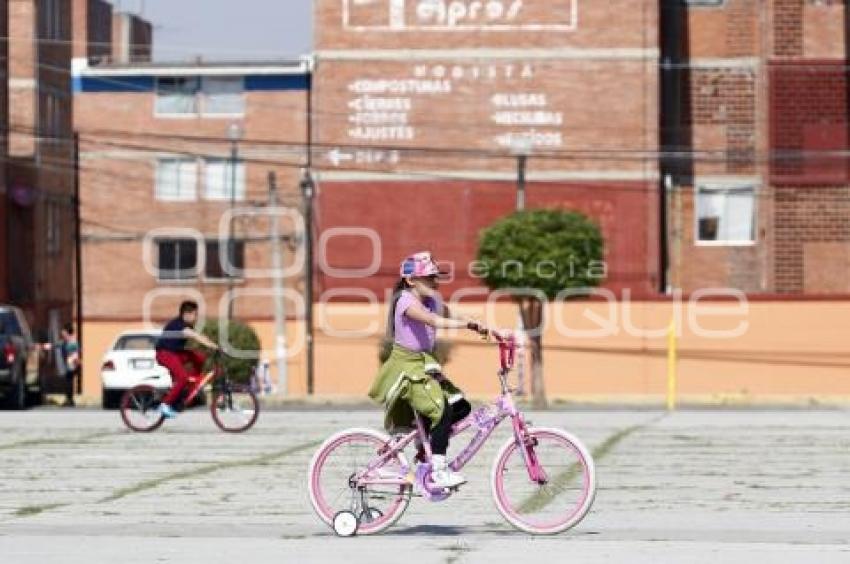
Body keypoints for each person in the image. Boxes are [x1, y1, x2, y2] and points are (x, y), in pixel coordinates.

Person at [368, 251, 508, 489]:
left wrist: (480, 326)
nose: (435, 282)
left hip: (424, 364)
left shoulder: (431, 301)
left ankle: (425, 449)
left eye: (435, 278)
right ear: (411, 280)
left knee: (461, 407)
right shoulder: (405, 301)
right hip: (407, 367)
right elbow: (433, 321)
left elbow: (448, 314)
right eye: (429, 278)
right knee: (440, 410)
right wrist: (467, 325)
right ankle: (439, 470)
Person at [154, 301, 218, 418]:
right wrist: (212, 346)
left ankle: (191, 385)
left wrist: (213, 346)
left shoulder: (187, 325)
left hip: (176, 353)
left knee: (199, 357)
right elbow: (194, 335)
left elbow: (199, 336)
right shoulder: (178, 324)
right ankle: (164, 405)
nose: (196, 318)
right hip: (165, 354)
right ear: (186, 314)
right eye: (195, 314)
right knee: (182, 377)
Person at [59, 324, 80, 407]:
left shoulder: (72, 343)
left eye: (64, 333)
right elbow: (57, 345)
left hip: (72, 364)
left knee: (68, 382)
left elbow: (75, 354)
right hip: (69, 364)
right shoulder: (66, 342)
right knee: (68, 382)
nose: (62, 335)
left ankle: (69, 400)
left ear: (68, 333)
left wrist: (76, 363)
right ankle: (69, 399)